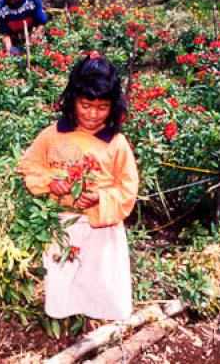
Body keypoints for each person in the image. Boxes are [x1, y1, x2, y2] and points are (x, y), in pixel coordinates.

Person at [17, 53, 138, 322]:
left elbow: (128, 190)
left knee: (100, 278)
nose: (93, 114)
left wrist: (100, 198)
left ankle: (93, 322)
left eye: (102, 107)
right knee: (63, 279)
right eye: (85, 105)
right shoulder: (52, 135)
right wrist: (51, 182)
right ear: (72, 100)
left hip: (102, 230)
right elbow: (29, 166)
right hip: (62, 226)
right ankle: (64, 320)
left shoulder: (116, 143)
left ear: (113, 107)